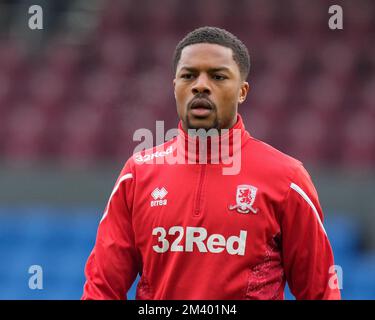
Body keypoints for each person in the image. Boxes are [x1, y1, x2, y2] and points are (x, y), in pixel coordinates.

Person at [82, 26, 341, 300]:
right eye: (189, 75)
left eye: (218, 76)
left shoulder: (287, 178)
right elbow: (102, 289)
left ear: (242, 91)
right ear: (175, 87)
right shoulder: (137, 174)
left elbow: (320, 292)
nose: (200, 85)